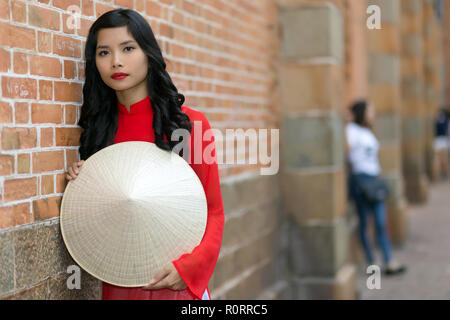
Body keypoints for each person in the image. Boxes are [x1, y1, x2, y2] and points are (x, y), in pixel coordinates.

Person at [65, 8, 224, 300]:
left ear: (148, 53)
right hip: (117, 286)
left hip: (175, 285)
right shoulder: (98, 134)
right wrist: (84, 183)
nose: (116, 61)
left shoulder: (189, 126)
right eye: (104, 52)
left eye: (128, 48)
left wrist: (188, 269)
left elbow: (214, 211)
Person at [346, 100, 406, 276]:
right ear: (361, 113)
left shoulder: (367, 132)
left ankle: (389, 261)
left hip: (374, 178)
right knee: (364, 223)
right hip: (360, 179)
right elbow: (348, 153)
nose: (373, 115)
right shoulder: (351, 131)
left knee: (381, 222)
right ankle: (372, 262)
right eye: (370, 111)